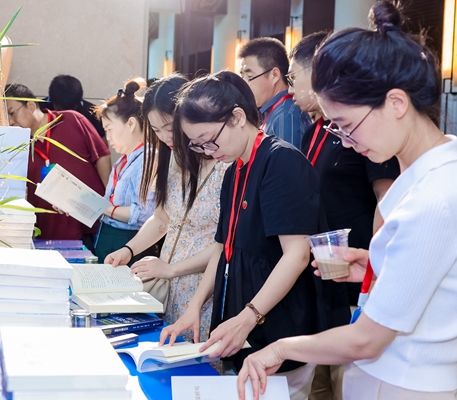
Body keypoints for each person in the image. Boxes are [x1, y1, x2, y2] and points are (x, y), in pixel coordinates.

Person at [238, 2, 457, 399]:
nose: (349, 143)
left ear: (396, 103)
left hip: (405, 383)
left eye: (347, 126)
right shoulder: (435, 170)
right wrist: (376, 265)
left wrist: (280, 348)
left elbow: (367, 340)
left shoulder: (433, 198)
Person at [159, 70, 335, 400]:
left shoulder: (281, 161)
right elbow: (222, 248)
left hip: (281, 325)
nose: (207, 151)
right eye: (198, 145)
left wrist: (248, 317)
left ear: (238, 117)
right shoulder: (234, 170)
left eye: (209, 139)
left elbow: (297, 254)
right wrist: (194, 306)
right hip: (246, 321)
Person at [287, 31, 400, 400]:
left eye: (294, 76)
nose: (291, 87)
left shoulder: (366, 135)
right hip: (323, 275)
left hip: (356, 278)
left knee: (345, 384)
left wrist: (374, 269)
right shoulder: (315, 131)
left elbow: (386, 199)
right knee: (317, 385)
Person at [104, 74, 228, 342]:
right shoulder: (173, 160)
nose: (164, 137)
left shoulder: (224, 164)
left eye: (169, 127)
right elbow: (161, 219)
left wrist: (172, 269)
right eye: (156, 130)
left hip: (204, 285)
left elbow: (225, 243)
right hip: (171, 283)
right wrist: (128, 250)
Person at [4, 83, 111, 249]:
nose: (10, 122)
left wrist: (108, 200)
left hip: (90, 225)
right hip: (47, 232)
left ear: (30, 106)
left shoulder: (71, 120)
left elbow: (102, 156)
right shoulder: (17, 145)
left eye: (12, 113)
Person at [92, 78, 157, 264]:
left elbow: (143, 214)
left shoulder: (149, 159)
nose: (108, 137)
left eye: (110, 129)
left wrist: (103, 208)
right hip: (109, 237)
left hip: (129, 242)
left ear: (131, 124)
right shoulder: (123, 160)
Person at [238, 37, 311, 149]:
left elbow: (286, 160)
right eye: (242, 77)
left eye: (249, 77)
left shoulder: (285, 115)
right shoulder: (273, 112)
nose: (244, 85)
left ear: (274, 75)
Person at [47, 74, 108, 144]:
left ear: (78, 102)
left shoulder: (93, 113)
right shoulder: (42, 110)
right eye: (60, 110)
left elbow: (102, 146)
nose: (67, 114)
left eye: (71, 110)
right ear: (53, 102)